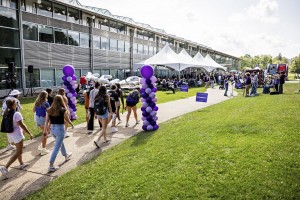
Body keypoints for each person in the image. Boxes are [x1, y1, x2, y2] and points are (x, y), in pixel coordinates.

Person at [0, 99, 33, 179]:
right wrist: (29, 133)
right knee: (19, 151)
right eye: (16, 103)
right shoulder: (16, 113)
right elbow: (22, 125)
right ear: (13, 104)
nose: (17, 104)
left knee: (18, 150)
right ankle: (5, 167)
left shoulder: (6, 112)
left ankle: (21, 164)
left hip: (10, 134)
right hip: (17, 134)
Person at [43, 95, 74, 172]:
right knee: (56, 148)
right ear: (61, 101)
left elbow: (46, 121)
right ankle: (51, 165)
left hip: (52, 130)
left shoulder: (49, 110)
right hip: (60, 129)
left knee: (60, 143)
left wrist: (45, 130)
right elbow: (67, 119)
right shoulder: (62, 110)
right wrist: (72, 124)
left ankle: (66, 155)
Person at [33, 91, 50, 156]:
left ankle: (42, 146)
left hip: (38, 118)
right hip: (43, 119)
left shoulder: (36, 102)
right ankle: (43, 149)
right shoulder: (46, 103)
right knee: (45, 133)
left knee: (45, 132)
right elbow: (49, 112)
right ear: (45, 96)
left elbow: (33, 110)